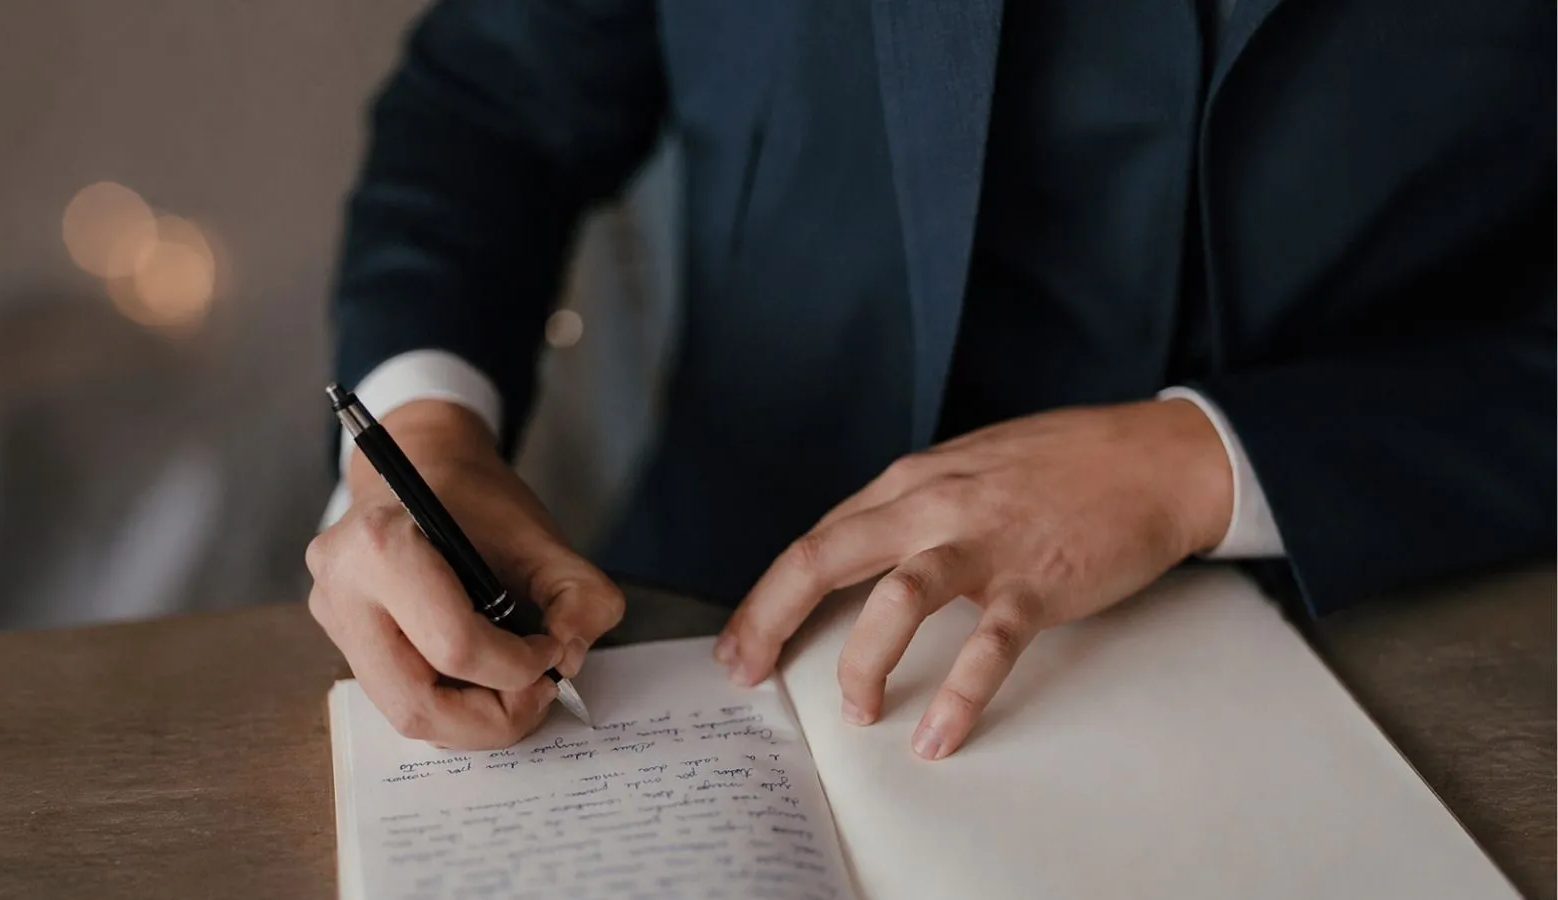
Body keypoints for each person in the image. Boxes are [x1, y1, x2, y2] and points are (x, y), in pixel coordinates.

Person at [305, 0, 1555, 759]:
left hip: (1400, 641)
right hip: (707, 631)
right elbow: (493, 104)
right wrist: (428, 433)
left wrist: (1199, 464)